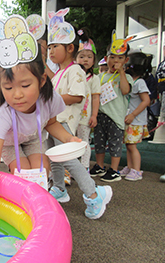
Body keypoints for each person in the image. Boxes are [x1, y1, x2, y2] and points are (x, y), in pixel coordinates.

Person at [0, 14, 94, 233]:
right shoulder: (3, 112)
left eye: (25, 85)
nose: (17, 95)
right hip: (8, 142)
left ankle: (39, 217)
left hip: (32, 136)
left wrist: (68, 138)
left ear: (41, 81)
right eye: (8, 88)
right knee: (22, 172)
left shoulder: (49, 99)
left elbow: (50, 123)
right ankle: (21, 212)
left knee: (40, 171)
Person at [46, 8, 112, 219]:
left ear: (70, 48)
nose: (51, 51)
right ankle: (59, 189)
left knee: (68, 160)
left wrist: (48, 100)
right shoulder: (59, 73)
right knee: (54, 158)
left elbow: (76, 96)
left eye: (55, 46)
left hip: (63, 123)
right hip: (54, 122)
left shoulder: (75, 70)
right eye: (49, 47)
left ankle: (94, 193)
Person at [89, 30, 134, 182]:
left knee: (115, 144)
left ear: (126, 59)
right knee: (100, 142)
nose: (115, 60)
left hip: (116, 117)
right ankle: (100, 166)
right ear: (106, 58)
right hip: (101, 115)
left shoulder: (126, 77)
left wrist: (121, 71)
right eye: (112, 57)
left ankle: (114, 170)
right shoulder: (100, 76)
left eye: (120, 58)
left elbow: (125, 90)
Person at [119, 51, 151, 181]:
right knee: (128, 144)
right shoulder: (132, 81)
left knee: (132, 146)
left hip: (136, 120)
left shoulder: (140, 82)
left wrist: (133, 114)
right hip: (130, 120)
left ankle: (137, 170)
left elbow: (146, 101)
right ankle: (130, 167)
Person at [75, 28, 101, 171]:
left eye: (89, 57)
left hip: (85, 118)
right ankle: (71, 169)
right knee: (71, 142)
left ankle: (84, 168)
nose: (85, 59)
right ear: (75, 58)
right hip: (72, 117)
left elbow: (96, 98)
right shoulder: (73, 75)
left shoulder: (94, 79)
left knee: (84, 142)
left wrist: (94, 115)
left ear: (94, 60)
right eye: (82, 56)